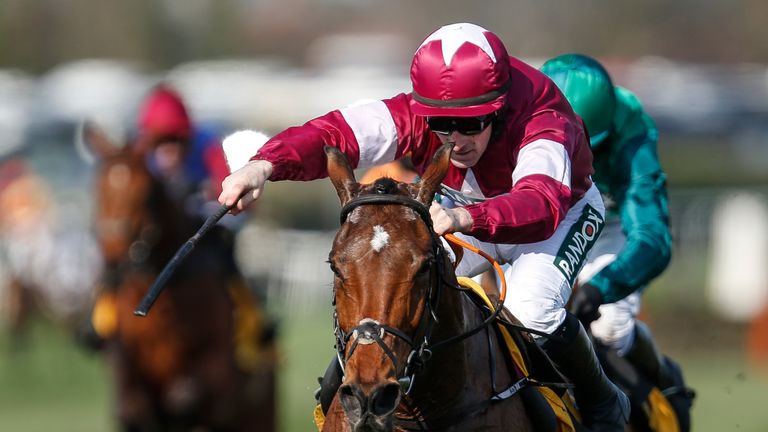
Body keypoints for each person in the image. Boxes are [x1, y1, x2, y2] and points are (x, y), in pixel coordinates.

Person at [219, 23, 629, 431]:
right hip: (464, 209)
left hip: (558, 216)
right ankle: (340, 392)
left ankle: (603, 403)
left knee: (530, 310)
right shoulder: (413, 114)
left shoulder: (542, 117)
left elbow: (542, 201)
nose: (456, 139)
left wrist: (466, 217)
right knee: (394, 273)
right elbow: (333, 132)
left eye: (471, 124)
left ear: (500, 106)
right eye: (441, 125)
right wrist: (263, 165)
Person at [541, 54, 694, 429]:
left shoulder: (631, 129)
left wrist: (601, 288)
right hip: (539, 224)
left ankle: (662, 382)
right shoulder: (512, 118)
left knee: (609, 326)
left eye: (589, 147)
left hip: (605, 228)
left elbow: (652, 237)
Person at [84, 85, 271, 372]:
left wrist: (208, 207)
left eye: (175, 141)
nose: (168, 151)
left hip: (201, 233)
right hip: (150, 241)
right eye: (159, 143)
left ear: (187, 136)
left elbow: (242, 206)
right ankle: (100, 323)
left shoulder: (209, 145)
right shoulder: (135, 152)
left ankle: (254, 321)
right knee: (116, 267)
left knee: (227, 262)